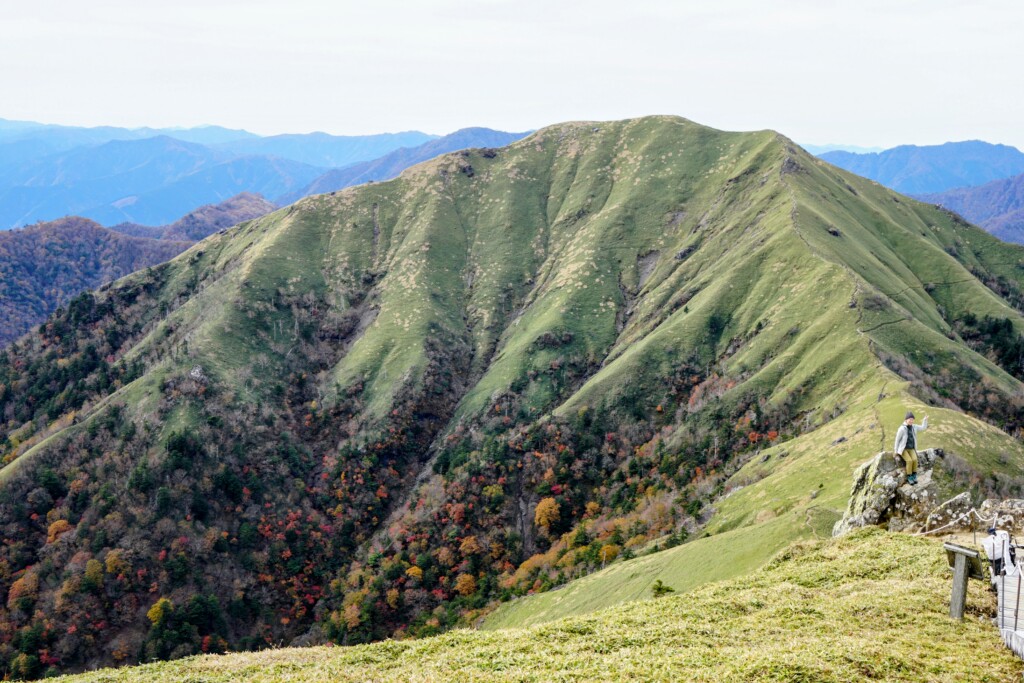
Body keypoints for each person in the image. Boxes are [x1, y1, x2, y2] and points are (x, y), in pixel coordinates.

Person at [893, 411, 928, 485]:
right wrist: (896, 451)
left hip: (911, 448)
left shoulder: (914, 426)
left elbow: (923, 427)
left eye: (912, 419)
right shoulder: (902, 428)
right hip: (903, 449)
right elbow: (897, 440)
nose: (911, 421)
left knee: (915, 459)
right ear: (906, 420)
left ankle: (914, 475)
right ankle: (909, 477)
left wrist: (925, 420)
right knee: (909, 461)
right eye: (910, 419)